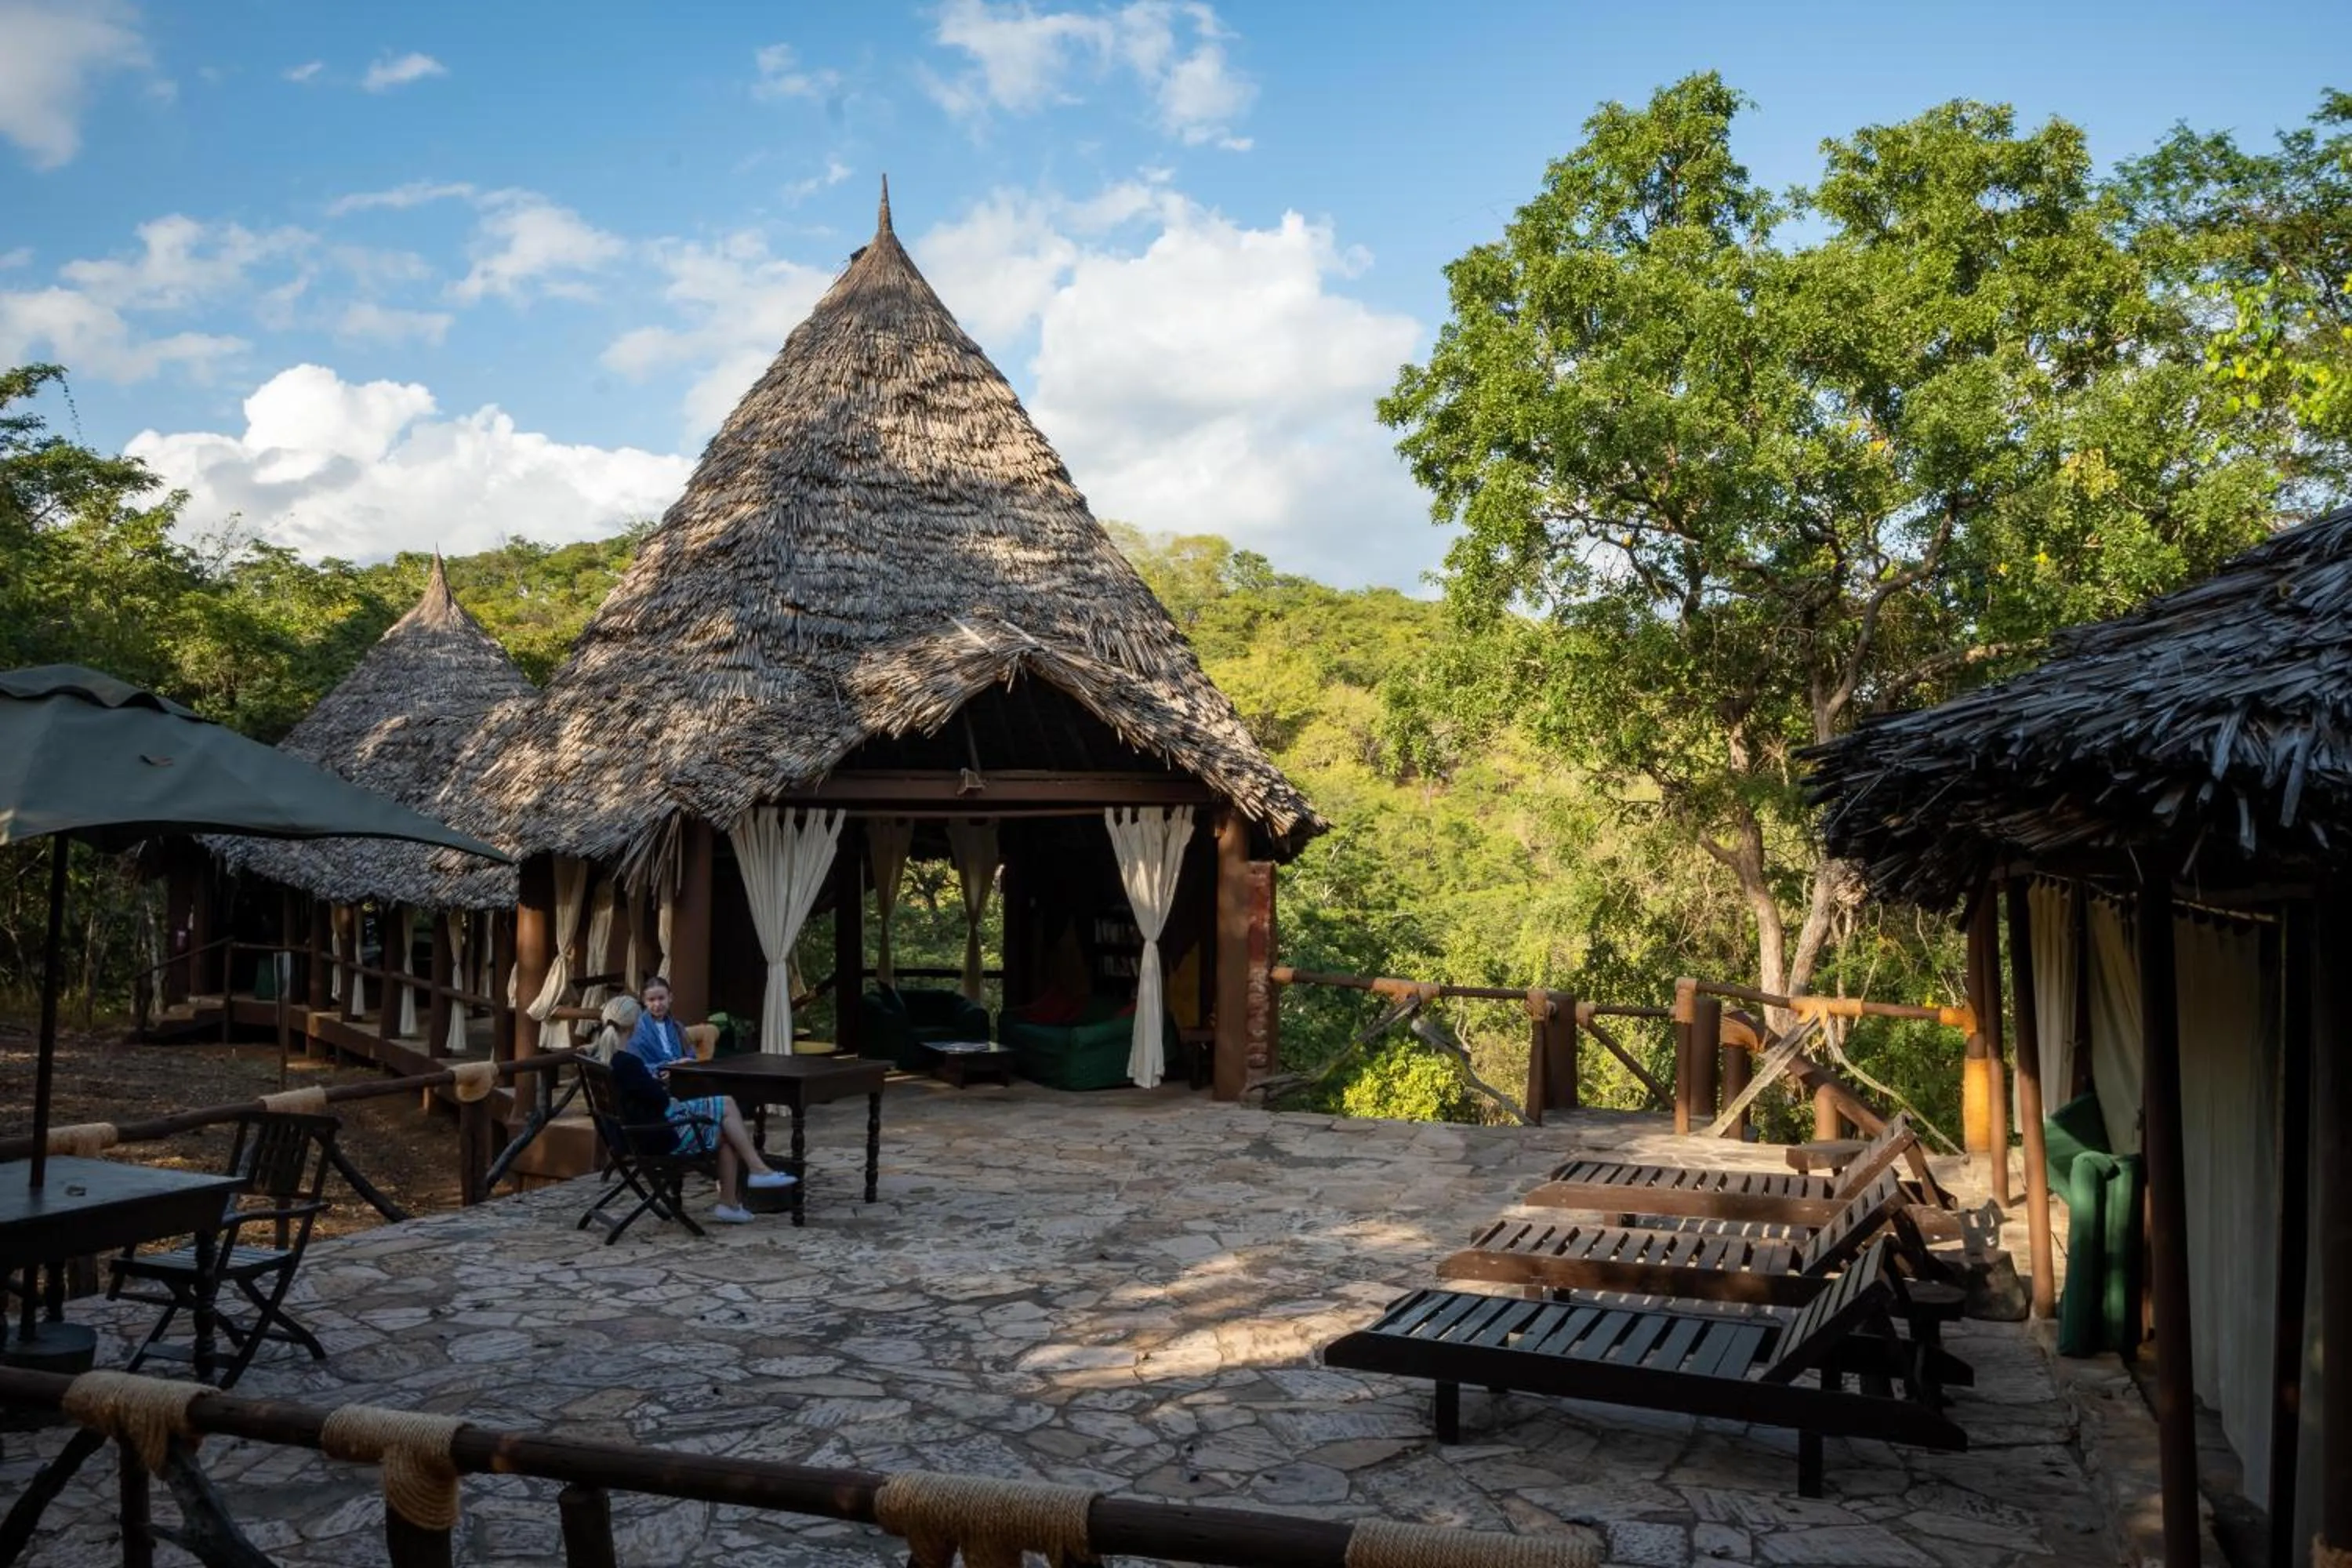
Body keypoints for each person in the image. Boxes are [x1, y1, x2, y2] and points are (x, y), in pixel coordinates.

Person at [596, 995, 793, 1225]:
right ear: (634, 1025)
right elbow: (660, 1101)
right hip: (655, 1136)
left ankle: (743, 1188)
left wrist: (657, 1085)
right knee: (727, 1126)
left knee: (726, 1108)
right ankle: (746, 1183)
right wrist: (662, 1086)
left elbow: (643, 1095)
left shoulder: (602, 1059)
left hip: (627, 1135)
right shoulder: (628, 1063)